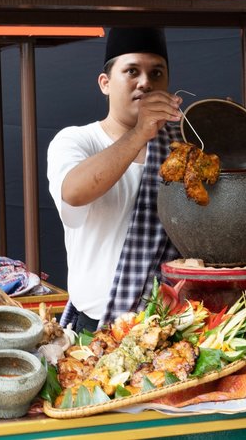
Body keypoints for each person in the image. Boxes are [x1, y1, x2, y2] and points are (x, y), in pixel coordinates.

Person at [47, 27, 183, 333]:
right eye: (132, 71)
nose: (146, 82)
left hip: (173, 327)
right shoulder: (77, 140)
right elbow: (74, 192)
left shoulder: (182, 146)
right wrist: (139, 134)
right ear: (105, 83)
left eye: (157, 73)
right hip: (95, 330)